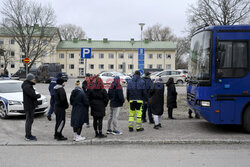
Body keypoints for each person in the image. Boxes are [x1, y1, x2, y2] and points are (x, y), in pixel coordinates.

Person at [21, 73, 41, 141]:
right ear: (30, 79)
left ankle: (29, 134)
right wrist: (38, 95)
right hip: (29, 106)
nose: (35, 80)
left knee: (30, 121)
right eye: (33, 79)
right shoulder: (27, 86)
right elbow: (33, 95)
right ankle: (28, 136)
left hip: (30, 105)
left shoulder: (28, 85)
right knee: (29, 121)